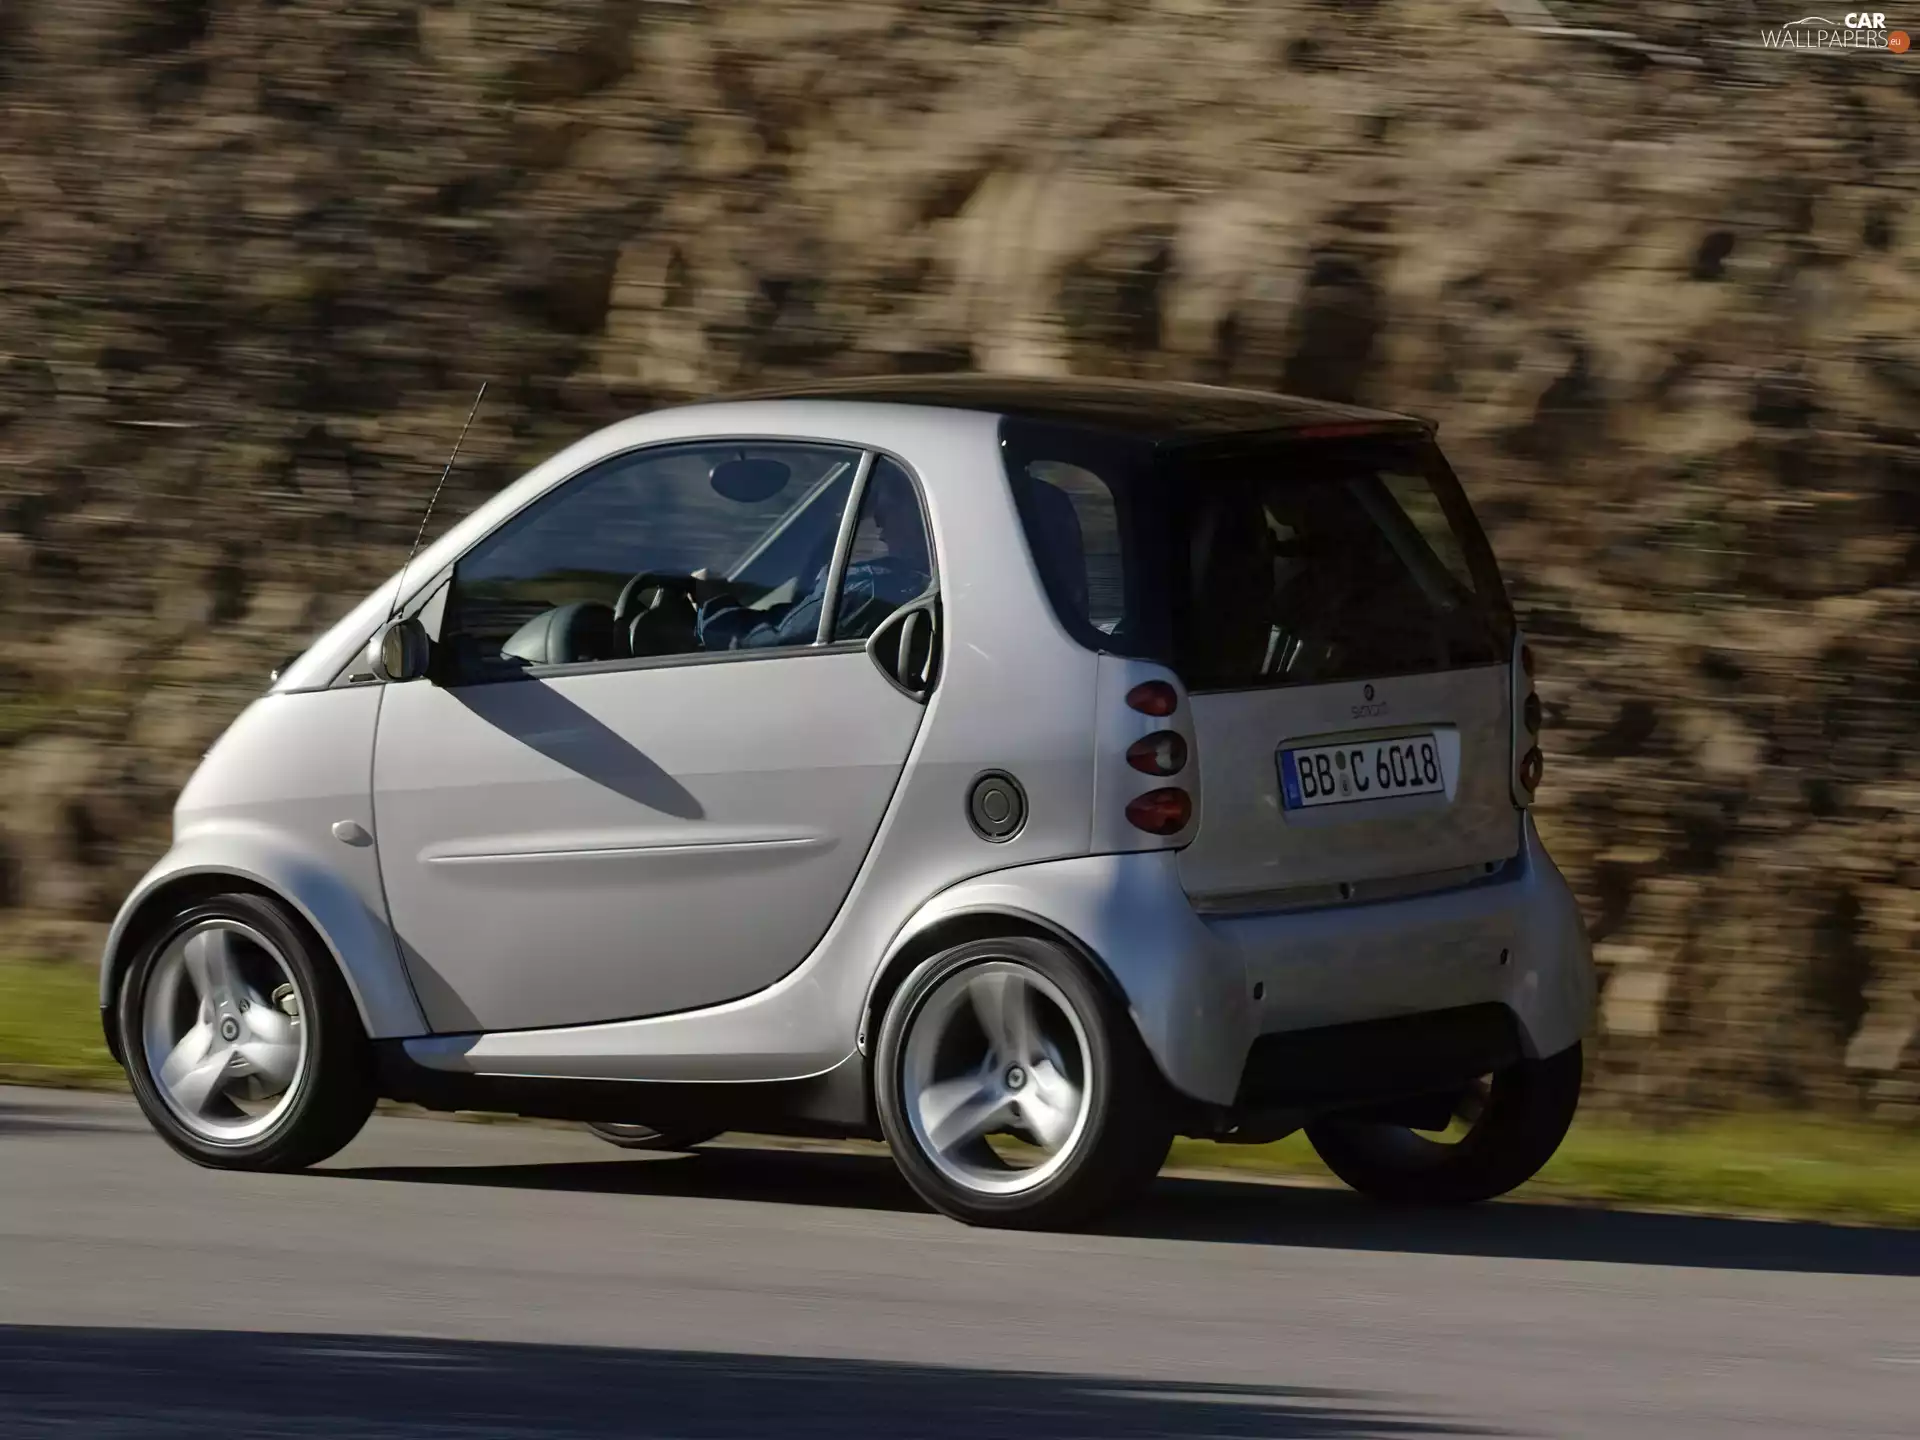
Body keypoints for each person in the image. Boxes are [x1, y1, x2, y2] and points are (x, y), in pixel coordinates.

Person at [695, 464, 931, 650]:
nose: (879, 523)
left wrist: (712, 602)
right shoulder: (906, 584)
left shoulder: (867, 590)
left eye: (884, 509)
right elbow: (794, 620)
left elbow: (764, 642)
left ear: (918, 511)